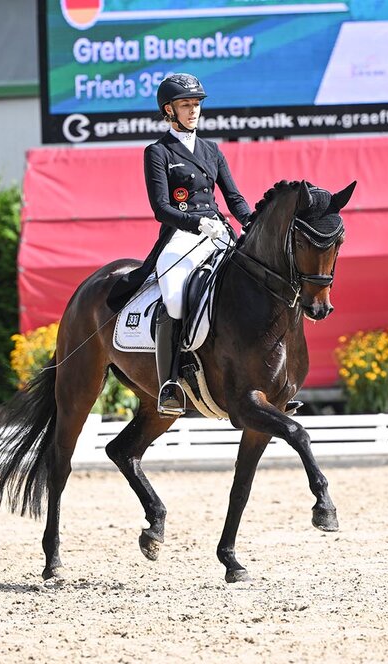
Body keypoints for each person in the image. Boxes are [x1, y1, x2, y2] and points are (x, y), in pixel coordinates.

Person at [110, 73, 253, 416]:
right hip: (181, 237)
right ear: (169, 111)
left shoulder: (211, 150)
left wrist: (251, 221)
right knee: (174, 295)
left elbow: (233, 198)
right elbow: (161, 208)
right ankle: (170, 382)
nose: (193, 111)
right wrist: (195, 222)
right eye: (186, 105)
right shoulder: (158, 152)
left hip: (218, 233)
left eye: (196, 105)